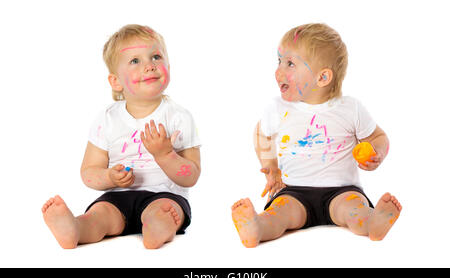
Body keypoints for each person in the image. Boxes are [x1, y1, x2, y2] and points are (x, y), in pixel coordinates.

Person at [231, 23, 401, 248]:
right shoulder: (277, 108)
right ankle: (257, 228)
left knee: (354, 211)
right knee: (279, 213)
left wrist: (376, 152)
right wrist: (270, 164)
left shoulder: (351, 108)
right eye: (279, 61)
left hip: (342, 190)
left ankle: (373, 222)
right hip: (293, 191)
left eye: (290, 64)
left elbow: (379, 137)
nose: (278, 71)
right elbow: (261, 134)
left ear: (322, 78)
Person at [42, 24, 201, 249]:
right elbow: (88, 173)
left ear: (168, 66)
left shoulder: (179, 117)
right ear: (115, 81)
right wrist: (109, 178)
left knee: (162, 212)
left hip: (165, 195)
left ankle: (156, 228)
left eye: (156, 57)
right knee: (100, 215)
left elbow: (191, 176)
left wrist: (165, 155)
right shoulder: (107, 119)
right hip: (117, 198)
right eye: (135, 61)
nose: (149, 66)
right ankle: (75, 228)